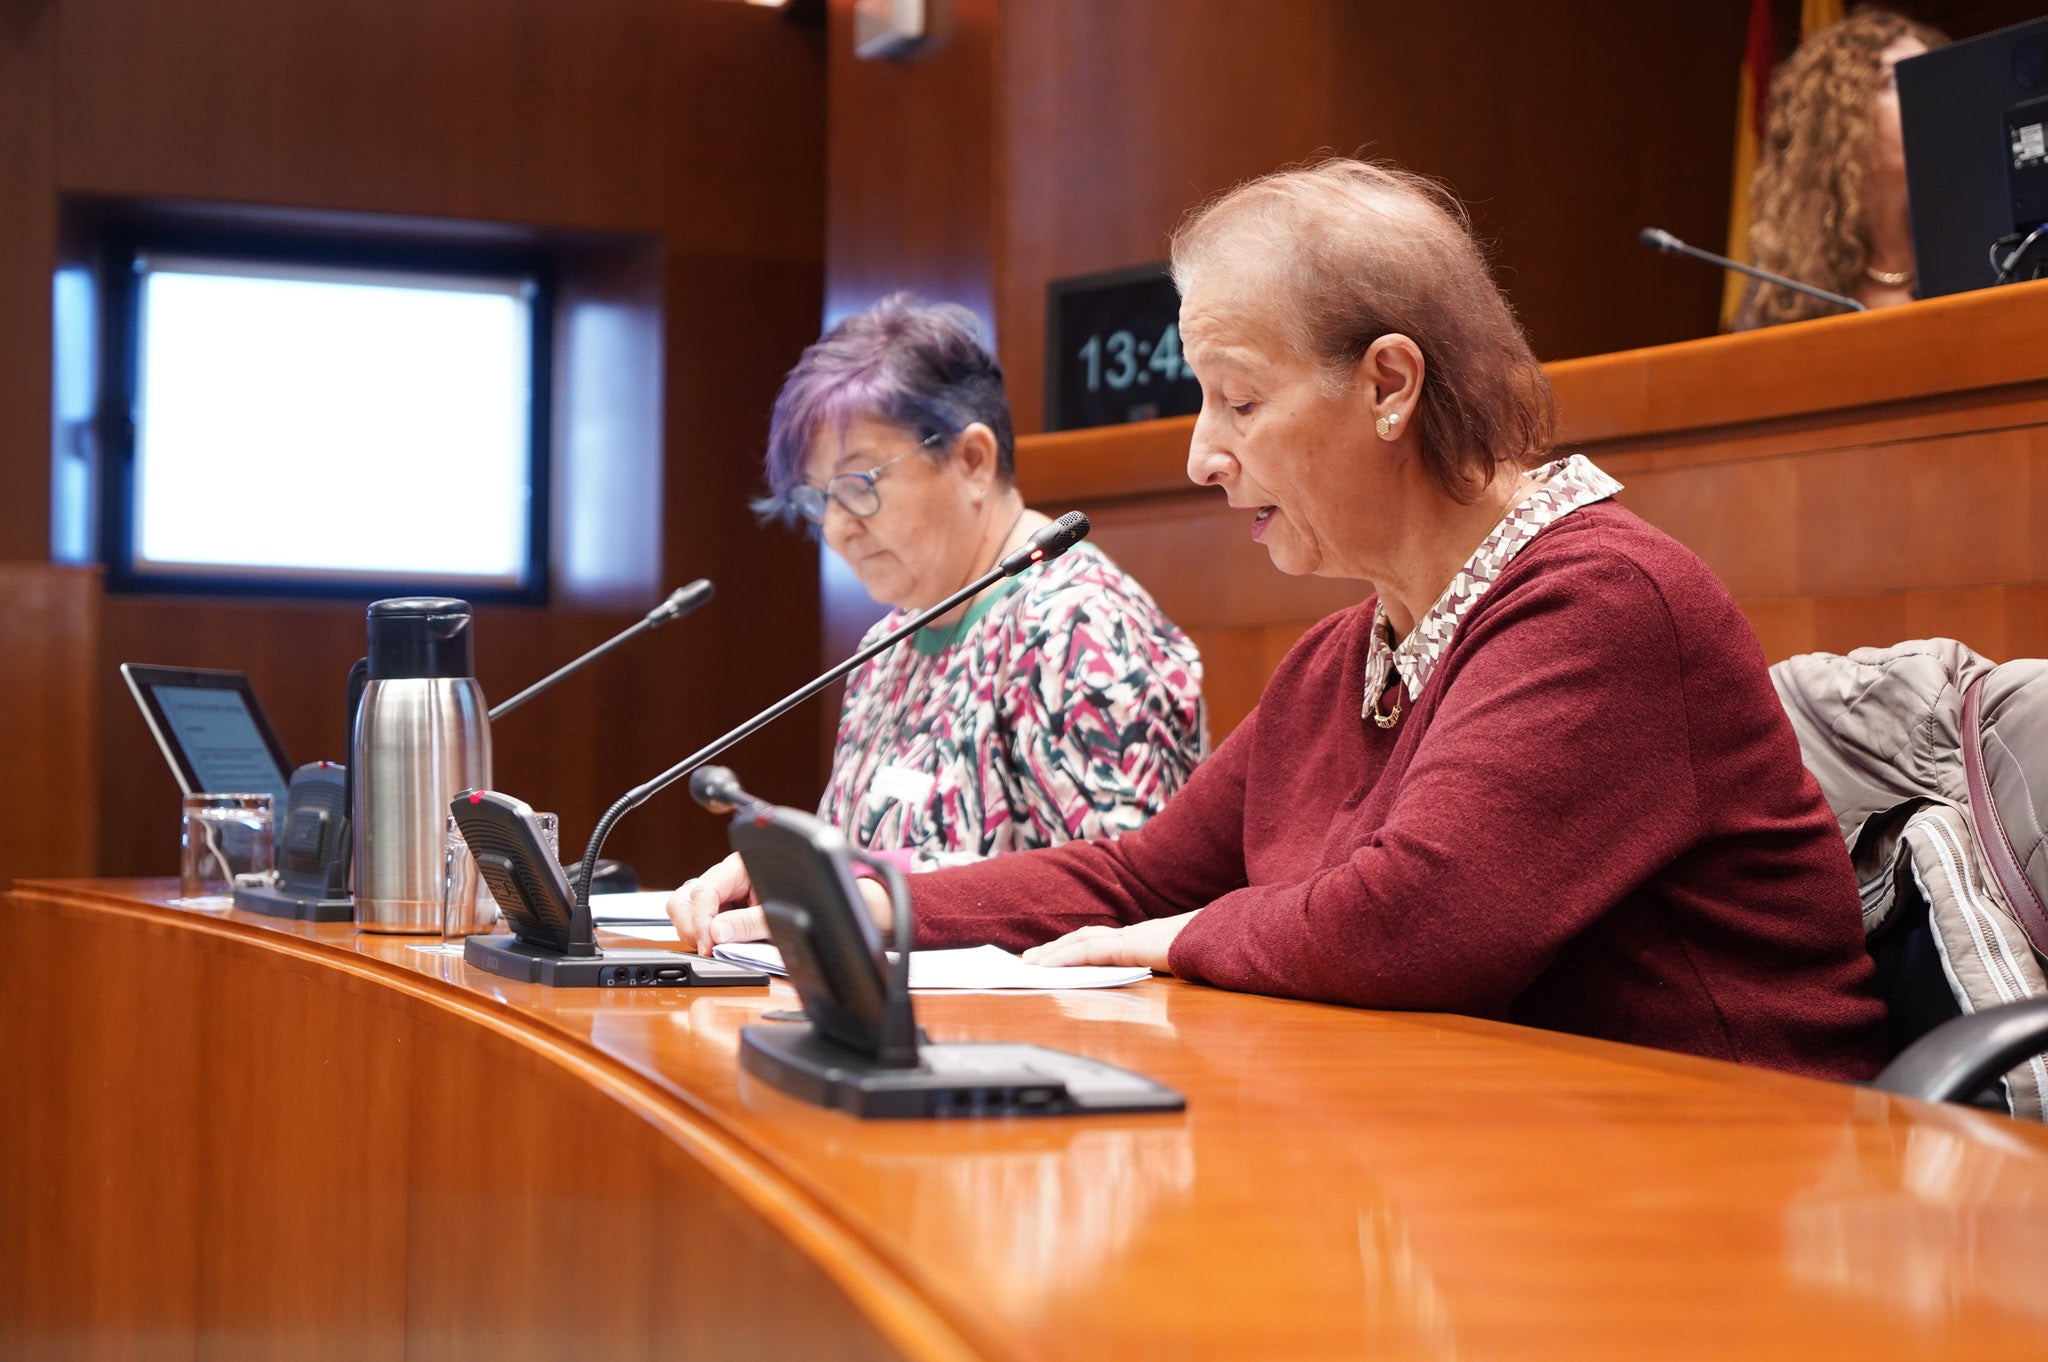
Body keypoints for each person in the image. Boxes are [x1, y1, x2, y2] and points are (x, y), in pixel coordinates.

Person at [677, 161, 1888, 1081]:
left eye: (1238, 401)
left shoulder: (1602, 604)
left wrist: (1175, 937)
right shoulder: (1345, 657)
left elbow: (1420, 921)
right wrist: (867, 893)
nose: (1203, 455)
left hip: (1724, 1182)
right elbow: (1132, 872)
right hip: (1503, 1160)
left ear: (1388, 385)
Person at [667, 294, 1205, 928]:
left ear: (972, 461)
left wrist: (862, 889)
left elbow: (1129, 899)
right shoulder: (894, 635)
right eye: (818, 499)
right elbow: (890, 854)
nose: (837, 530)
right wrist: (787, 878)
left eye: (859, 485)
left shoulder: (1080, 626)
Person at [1735, 8, 1948, 329]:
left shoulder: (1991, 247)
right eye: (1895, 80)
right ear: (1839, 122)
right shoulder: (1785, 285)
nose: (1926, 97)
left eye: (1933, 80)